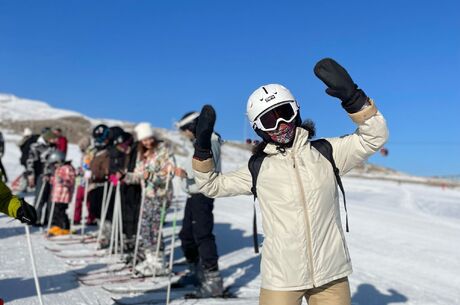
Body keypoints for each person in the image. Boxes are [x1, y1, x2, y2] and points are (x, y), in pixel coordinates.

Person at [191, 58, 389, 304]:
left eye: (284, 113)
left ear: (296, 110)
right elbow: (210, 185)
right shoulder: (259, 168)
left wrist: (354, 99)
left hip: (331, 275)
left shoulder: (327, 153)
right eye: (268, 120)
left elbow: (374, 137)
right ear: (257, 128)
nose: (280, 124)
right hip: (281, 279)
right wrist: (202, 151)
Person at [174, 111, 224, 297]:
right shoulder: (198, 141)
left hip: (203, 195)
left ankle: (213, 280)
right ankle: (196, 271)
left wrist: (186, 173)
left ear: (193, 126)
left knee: (203, 235)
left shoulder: (211, 140)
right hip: (192, 195)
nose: (185, 134)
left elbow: (210, 166)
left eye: (185, 130)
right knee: (187, 235)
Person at [123, 122, 175, 276]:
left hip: (161, 195)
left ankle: (159, 262)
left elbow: (169, 173)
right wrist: (126, 176)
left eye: (149, 138)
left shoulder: (163, 151)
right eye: (144, 140)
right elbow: (140, 175)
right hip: (147, 195)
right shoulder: (142, 155)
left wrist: (151, 176)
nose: (147, 142)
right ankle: (150, 259)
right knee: (145, 228)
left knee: (154, 228)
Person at [27, 129, 58, 225]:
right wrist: (30, 175)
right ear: (48, 138)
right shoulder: (36, 147)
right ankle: (36, 218)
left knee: (50, 198)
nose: (55, 141)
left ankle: (49, 219)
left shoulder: (53, 147)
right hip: (41, 175)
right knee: (40, 198)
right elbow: (30, 162)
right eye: (53, 139)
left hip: (52, 176)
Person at [47, 151, 76, 236]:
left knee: (61, 211)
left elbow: (70, 180)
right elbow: (56, 180)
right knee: (55, 211)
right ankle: (57, 226)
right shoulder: (59, 169)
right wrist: (50, 179)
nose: (54, 166)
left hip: (64, 195)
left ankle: (65, 227)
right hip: (57, 195)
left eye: (55, 164)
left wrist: (63, 181)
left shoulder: (67, 168)